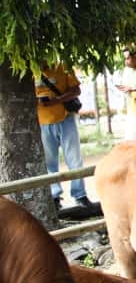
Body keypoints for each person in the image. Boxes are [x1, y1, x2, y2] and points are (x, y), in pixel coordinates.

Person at [34, 62, 93, 209]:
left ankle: (80, 196)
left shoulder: (62, 66)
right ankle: (54, 197)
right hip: (43, 122)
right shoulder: (29, 71)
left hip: (66, 119)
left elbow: (76, 90)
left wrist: (57, 100)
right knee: (49, 163)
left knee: (74, 160)